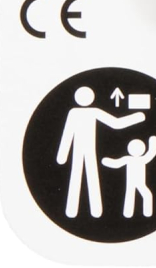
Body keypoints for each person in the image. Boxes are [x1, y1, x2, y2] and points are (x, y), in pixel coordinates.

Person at [55, 86, 145, 218]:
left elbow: (116, 123)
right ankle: (81, 211)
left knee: (83, 175)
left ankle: (88, 211)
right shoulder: (76, 113)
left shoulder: (84, 112)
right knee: (85, 175)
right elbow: (68, 134)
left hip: (86, 150)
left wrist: (137, 117)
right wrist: (62, 155)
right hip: (81, 150)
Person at [102, 136, 156, 218]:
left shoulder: (141, 159)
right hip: (132, 182)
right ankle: (129, 213)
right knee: (135, 195)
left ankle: (144, 213)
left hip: (139, 182)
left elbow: (151, 153)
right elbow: (116, 163)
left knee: (143, 194)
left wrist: (153, 142)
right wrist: (107, 162)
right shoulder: (130, 159)